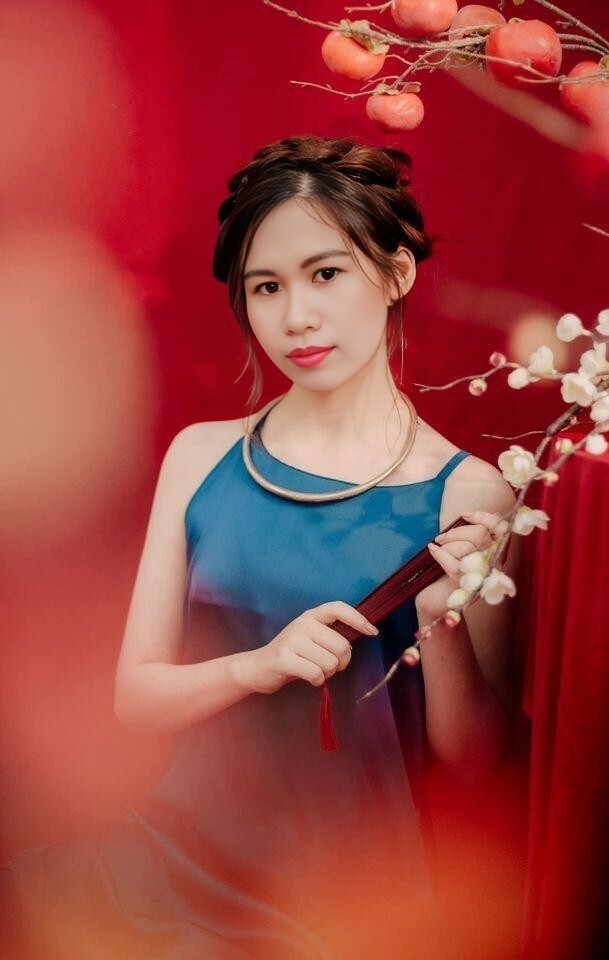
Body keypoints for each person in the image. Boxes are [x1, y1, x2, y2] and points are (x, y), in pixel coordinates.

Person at [1, 134, 521, 960]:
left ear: (395, 273)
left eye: (325, 274)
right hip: (168, 861)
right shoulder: (200, 456)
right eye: (265, 286)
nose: (295, 316)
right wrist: (258, 665)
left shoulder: (471, 496)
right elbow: (136, 697)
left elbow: (477, 770)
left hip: (345, 896)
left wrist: (442, 626)